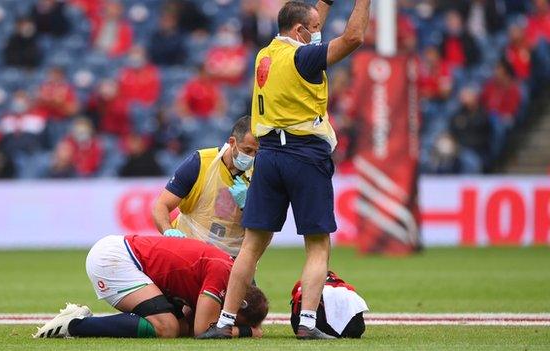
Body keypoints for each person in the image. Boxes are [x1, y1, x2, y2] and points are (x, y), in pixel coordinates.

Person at [198, 0, 371, 340]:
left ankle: (224, 322)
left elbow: (309, 25)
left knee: (251, 245)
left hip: (270, 156)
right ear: (298, 31)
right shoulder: (304, 57)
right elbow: (353, 37)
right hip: (305, 154)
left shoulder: (266, 54)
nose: (318, 31)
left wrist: (325, 3)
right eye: (314, 28)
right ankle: (307, 322)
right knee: (318, 244)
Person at [34, 235, 268, 339]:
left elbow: (191, 323)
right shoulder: (222, 272)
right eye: (234, 320)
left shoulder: (229, 272)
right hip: (115, 259)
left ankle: (80, 322)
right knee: (166, 328)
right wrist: (247, 332)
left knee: (178, 326)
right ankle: (75, 325)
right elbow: (204, 330)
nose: (226, 322)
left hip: (126, 256)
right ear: (241, 303)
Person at [152, 116, 258, 256]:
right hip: (189, 251)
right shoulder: (200, 163)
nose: (252, 157)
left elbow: (263, 231)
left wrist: (248, 205)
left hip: (233, 259)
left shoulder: (260, 172)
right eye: (248, 150)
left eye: (257, 152)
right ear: (232, 142)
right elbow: (161, 206)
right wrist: (168, 230)